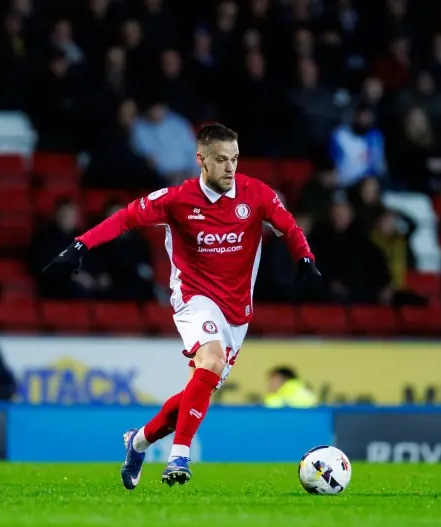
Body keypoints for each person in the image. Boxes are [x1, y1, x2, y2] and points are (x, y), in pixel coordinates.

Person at [44, 123, 321, 488]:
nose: (230, 167)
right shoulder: (177, 199)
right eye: (221, 159)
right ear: (201, 160)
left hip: (237, 310)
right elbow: (125, 218)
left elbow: (288, 227)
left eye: (235, 159)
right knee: (211, 361)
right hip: (194, 297)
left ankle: (138, 441)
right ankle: (179, 456)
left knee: (200, 387)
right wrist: (80, 245)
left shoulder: (256, 194)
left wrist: (304, 257)